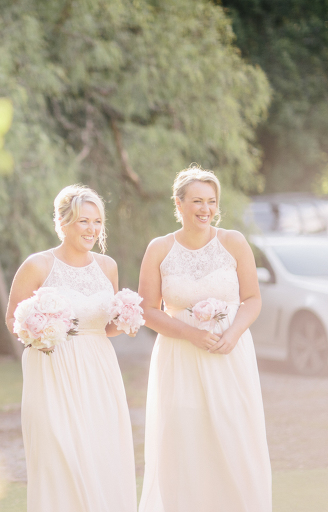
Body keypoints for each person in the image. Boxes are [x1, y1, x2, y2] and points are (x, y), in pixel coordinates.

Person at [137, 165, 271, 512]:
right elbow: (148, 310)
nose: (206, 209)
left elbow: (253, 299)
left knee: (234, 436)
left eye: (211, 201)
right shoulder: (159, 249)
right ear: (178, 203)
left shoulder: (234, 242)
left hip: (230, 356)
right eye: (197, 200)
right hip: (179, 358)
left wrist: (235, 333)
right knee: (186, 440)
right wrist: (190, 334)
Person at [6, 185, 136, 512]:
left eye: (97, 222)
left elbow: (106, 327)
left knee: (100, 451)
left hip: (99, 369)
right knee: (59, 453)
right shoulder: (37, 266)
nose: (92, 229)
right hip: (52, 369)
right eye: (83, 221)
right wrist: (41, 334)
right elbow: (13, 318)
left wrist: (126, 318)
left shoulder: (107, 267)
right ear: (62, 223)